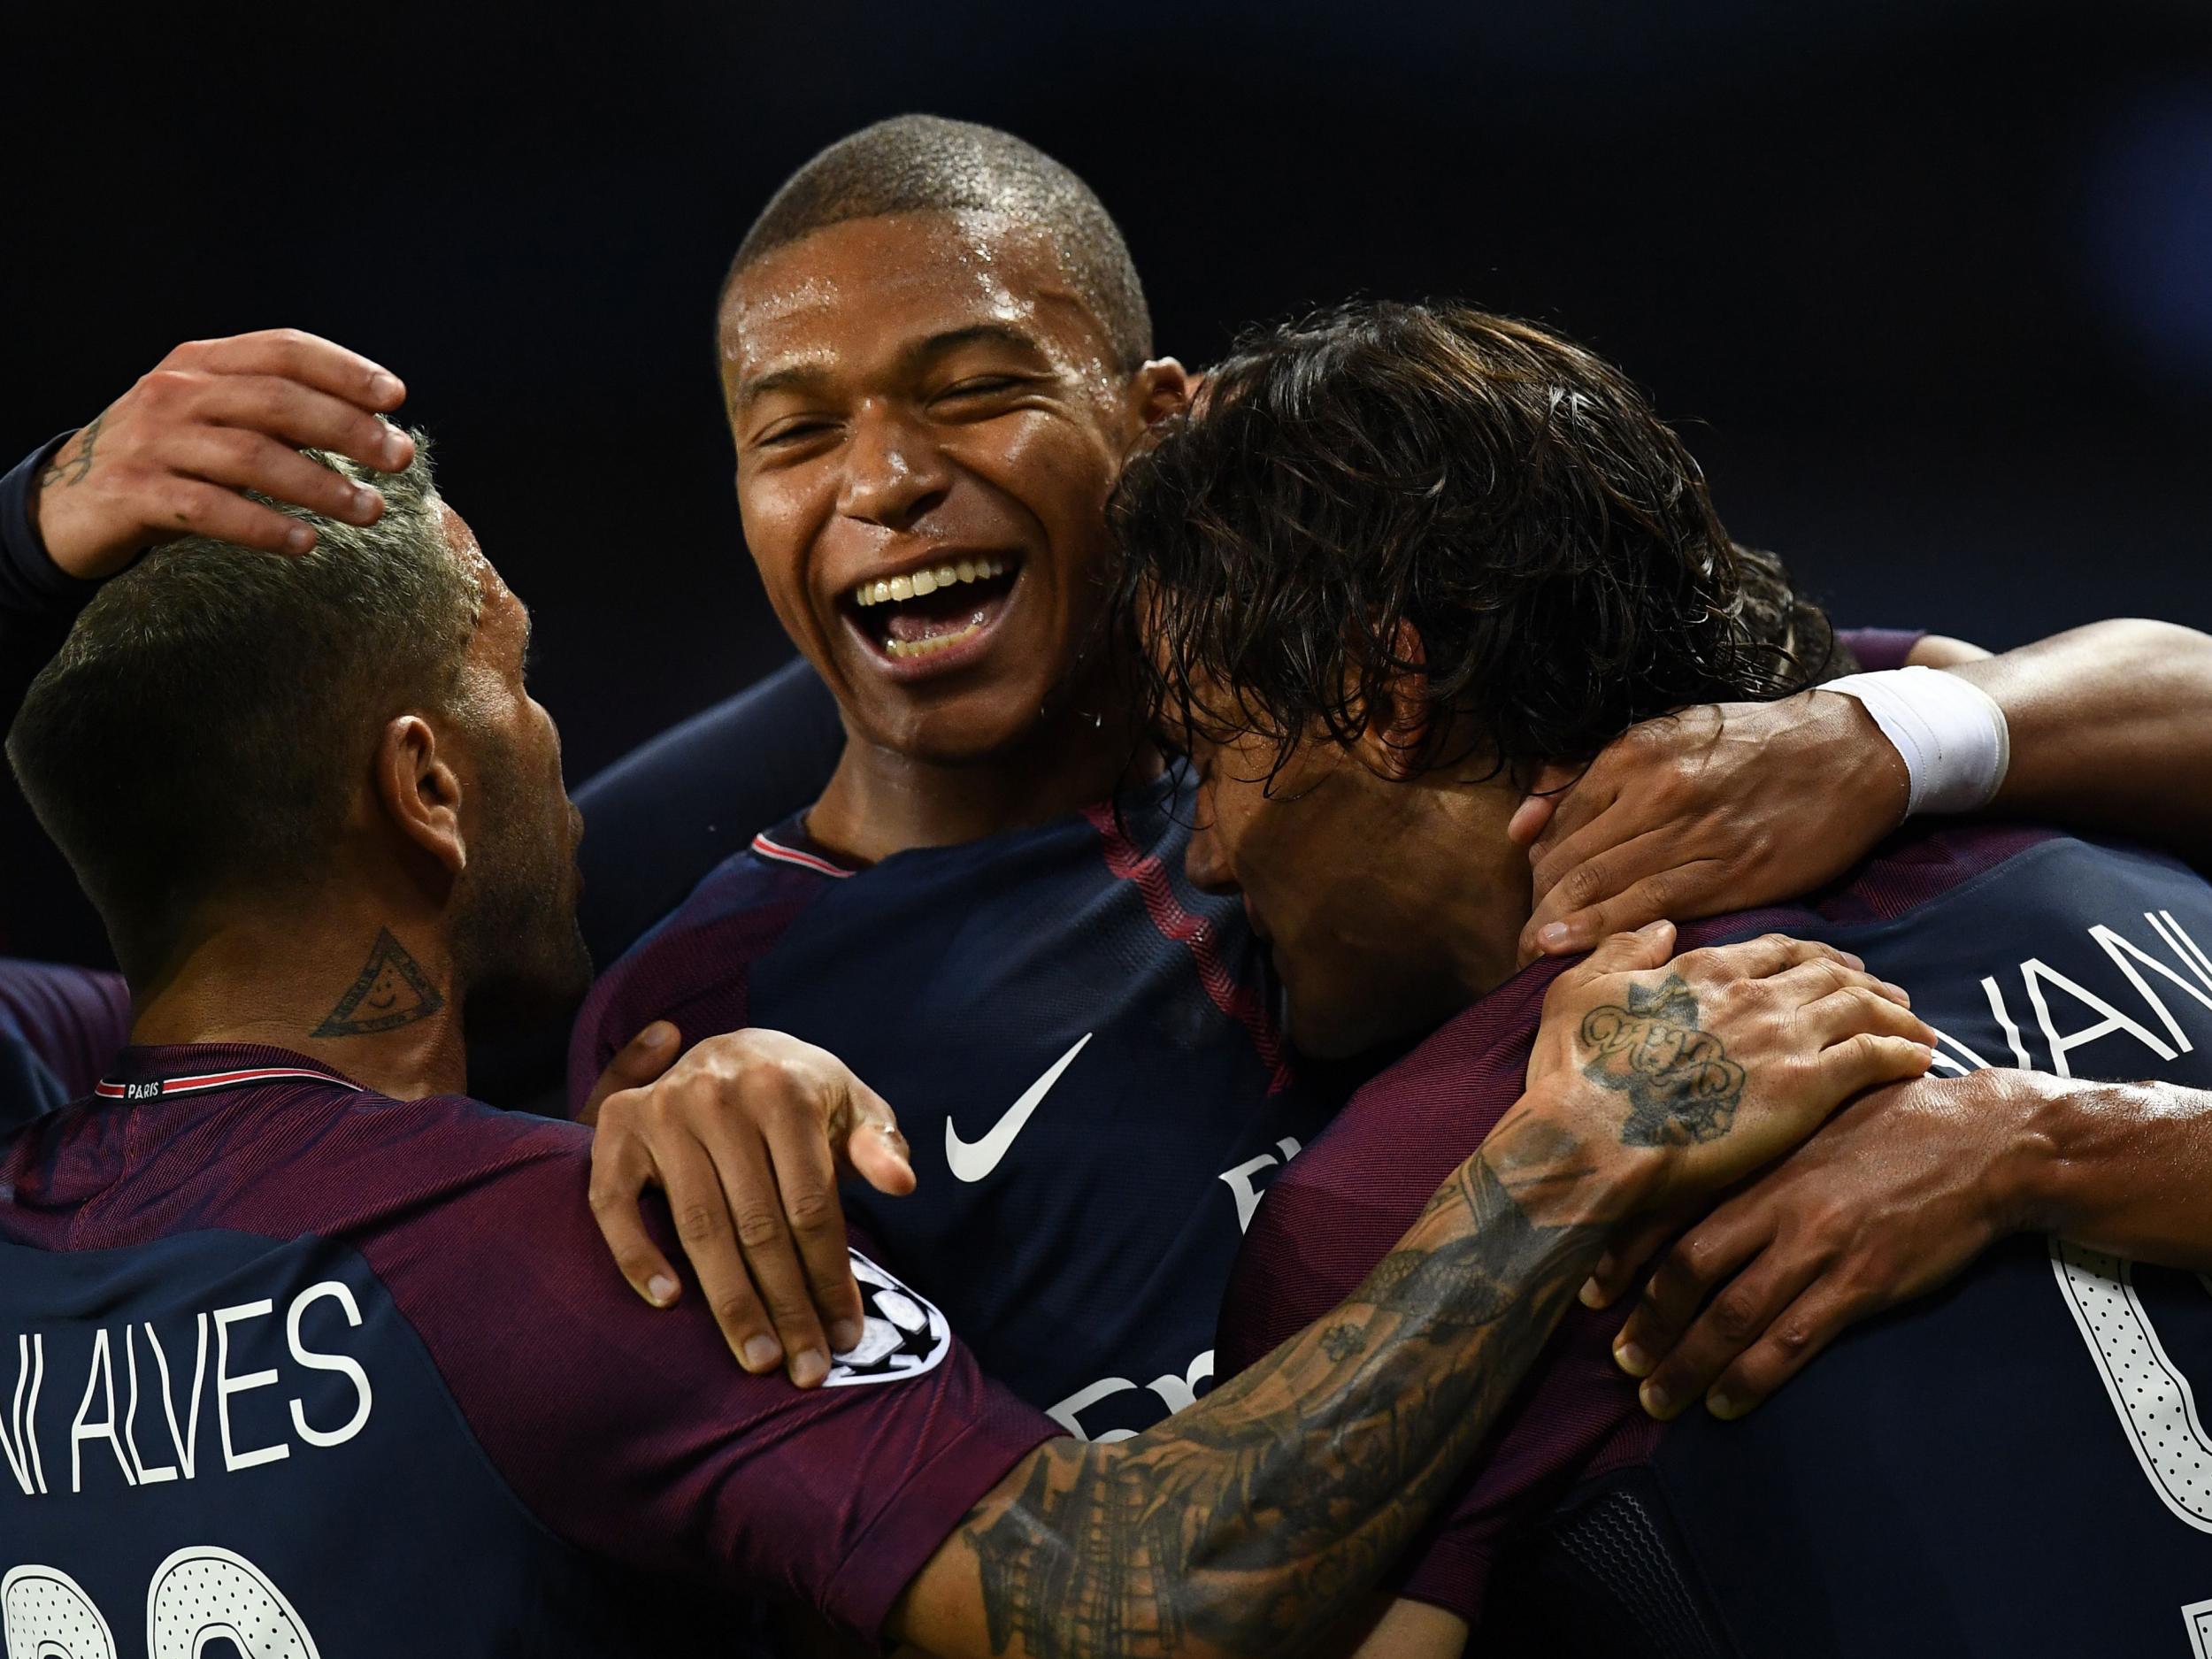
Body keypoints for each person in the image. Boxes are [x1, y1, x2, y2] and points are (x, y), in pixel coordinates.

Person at [0, 431, 1932, 1655]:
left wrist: (30, 526)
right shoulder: (567, 1247)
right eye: (511, 681)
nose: (557, 750)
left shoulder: (35, 1181)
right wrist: (1558, 1157)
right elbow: (1142, 1601)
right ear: (424, 783)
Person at [1110, 297, 2212, 1655]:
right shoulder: (2105, 845)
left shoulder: (1391, 1216)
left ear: (1386, 699)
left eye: (1203, 748)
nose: (1206, 857)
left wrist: (2030, 1147)